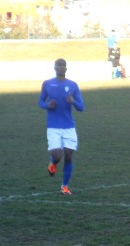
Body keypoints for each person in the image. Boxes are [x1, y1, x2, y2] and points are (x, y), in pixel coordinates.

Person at [39, 58, 85, 196]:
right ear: (54, 67)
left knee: (69, 156)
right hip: (53, 126)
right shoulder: (47, 84)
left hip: (68, 126)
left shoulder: (73, 85)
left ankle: (65, 186)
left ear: (66, 68)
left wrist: (73, 101)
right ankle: (53, 164)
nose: (61, 67)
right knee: (57, 156)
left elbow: (81, 107)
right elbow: (40, 102)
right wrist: (48, 105)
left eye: (63, 65)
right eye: (58, 65)